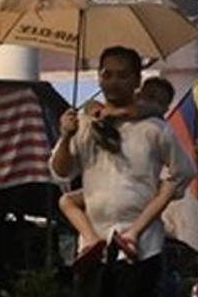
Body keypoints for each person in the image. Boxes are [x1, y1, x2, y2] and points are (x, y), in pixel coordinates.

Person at [49, 45, 195, 297]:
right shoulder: (86, 125)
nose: (113, 81)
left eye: (121, 75)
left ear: (136, 81)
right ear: (99, 78)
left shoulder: (153, 129)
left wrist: (155, 208)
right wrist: (66, 134)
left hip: (141, 244)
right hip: (95, 242)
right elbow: (61, 171)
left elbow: (183, 172)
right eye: (106, 74)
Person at [57, 76, 176, 263]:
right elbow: (91, 105)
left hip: (141, 194)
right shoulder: (112, 117)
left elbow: (149, 109)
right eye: (148, 95)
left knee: (168, 189)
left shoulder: (157, 128)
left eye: (159, 100)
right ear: (138, 93)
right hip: (105, 191)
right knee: (66, 200)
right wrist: (96, 112)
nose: (151, 102)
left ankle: (132, 235)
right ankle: (90, 238)